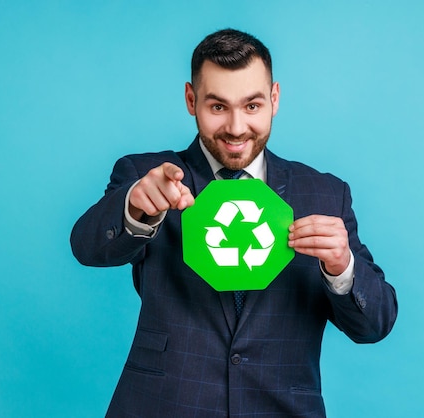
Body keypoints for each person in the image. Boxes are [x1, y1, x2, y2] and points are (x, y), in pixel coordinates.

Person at [71, 28, 397, 418]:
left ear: (275, 98)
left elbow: (375, 324)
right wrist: (135, 207)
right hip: (164, 406)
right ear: (191, 100)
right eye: (218, 107)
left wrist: (343, 268)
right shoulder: (150, 176)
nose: (237, 128)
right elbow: (86, 246)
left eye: (252, 106)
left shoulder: (325, 194)